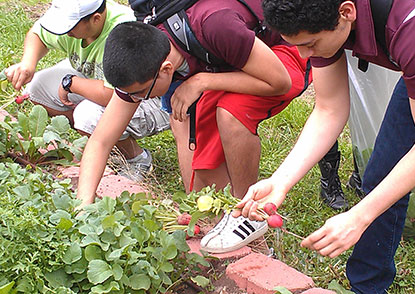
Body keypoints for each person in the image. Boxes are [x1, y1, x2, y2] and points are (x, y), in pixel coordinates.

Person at [235, 0, 415, 293]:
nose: (304, 54)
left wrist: (359, 216)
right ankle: (365, 287)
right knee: (379, 180)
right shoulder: (321, 17)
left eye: (310, 44)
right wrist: (280, 181)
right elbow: (329, 110)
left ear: (347, 13)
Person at [76, 0, 311, 254]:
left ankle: (244, 216)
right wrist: (82, 209)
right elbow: (100, 141)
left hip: (283, 53)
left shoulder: (214, 25)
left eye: (141, 94)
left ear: (167, 69)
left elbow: (280, 82)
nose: (137, 101)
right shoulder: (144, 55)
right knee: (200, 187)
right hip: (235, 61)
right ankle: (235, 229)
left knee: (230, 111)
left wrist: (202, 80)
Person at [5, 0, 170, 181]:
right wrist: (28, 63)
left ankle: (137, 159)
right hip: (98, 79)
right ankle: (97, 143)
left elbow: (114, 95)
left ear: (96, 19)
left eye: (70, 28)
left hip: (149, 98)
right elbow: (38, 33)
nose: (66, 33)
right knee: (37, 89)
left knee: (88, 116)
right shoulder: (75, 21)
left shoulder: (122, 33)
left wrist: (72, 84)